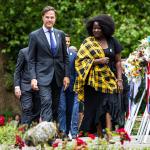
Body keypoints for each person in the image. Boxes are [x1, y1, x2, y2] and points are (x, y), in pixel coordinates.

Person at [74, 14, 123, 142]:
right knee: (96, 109)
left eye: (99, 28)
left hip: (109, 79)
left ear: (105, 29)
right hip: (92, 82)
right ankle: (100, 135)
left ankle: (109, 134)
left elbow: (118, 62)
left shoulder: (113, 41)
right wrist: (97, 61)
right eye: (94, 28)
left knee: (108, 106)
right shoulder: (88, 42)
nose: (96, 30)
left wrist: (119, 79)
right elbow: (79, 62)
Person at [28, 6, 70, 122]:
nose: (49, 20)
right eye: (47, 17)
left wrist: (66, 75)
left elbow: (65, 57)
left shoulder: (60, 34)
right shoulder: (35, 35)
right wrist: (33, 78)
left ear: (55, 19)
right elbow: (31, 59)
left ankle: (53, 129)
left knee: (56, 106)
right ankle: (48, 134)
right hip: (42, 76)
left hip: (58, 76)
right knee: (46, 102)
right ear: (42, 18)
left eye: (52, 17)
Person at [58, 34, 79, 139]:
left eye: (68, 42)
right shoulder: (56, 54)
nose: (67, 43)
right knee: (62, 108)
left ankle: (72, 132)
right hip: (60, 86)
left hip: (71, 86)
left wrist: (76, 84)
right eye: (65, 41)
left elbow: (76, 71)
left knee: (72, 109)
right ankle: (62, 131)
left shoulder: (73, 54)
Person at [14, 47, 41, 125]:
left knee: (37, 111)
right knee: (27, 108)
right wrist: (17, 86)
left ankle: (32, 132)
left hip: (39, 86)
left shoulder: (43, 52)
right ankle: (24, 133)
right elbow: (18, 71)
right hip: (25, 85)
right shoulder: (23, 52)